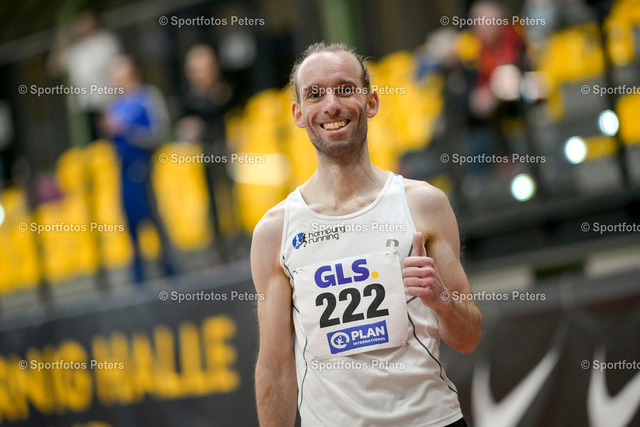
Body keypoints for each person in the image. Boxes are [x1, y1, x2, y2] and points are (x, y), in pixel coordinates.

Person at [250, 42, 482, 426]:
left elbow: (468, 338)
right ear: (298, 114)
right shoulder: (275, 231)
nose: (332, 105)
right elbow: (275, 367)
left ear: (371, 102)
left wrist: (441, 300)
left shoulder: (424, 204)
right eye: (315, 94)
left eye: (345, 89)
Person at [103, 55, 175, 284]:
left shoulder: (147, 98)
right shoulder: (114, 106)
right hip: (123, 169)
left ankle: (168, 264)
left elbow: (159, 132)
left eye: (122, 76)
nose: (118, 81)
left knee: (151, 213)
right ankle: (138, 270)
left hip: (144, 166)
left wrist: (128, 131)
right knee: (130, 217)